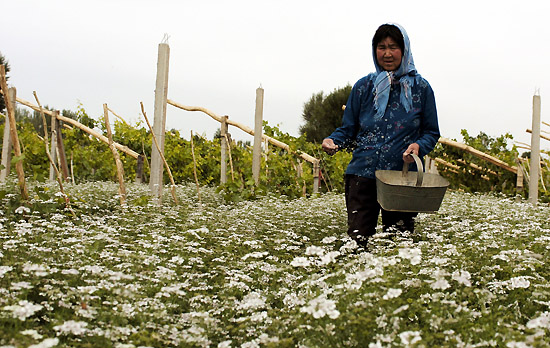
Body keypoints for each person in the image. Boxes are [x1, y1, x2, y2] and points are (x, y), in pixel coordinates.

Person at [322, 23, 440, 247]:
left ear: (404, 51)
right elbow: (348, 130)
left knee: (399, 246)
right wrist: (333, 141)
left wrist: (418, 146)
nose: (387, 53)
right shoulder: (363, 87)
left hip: (401, 179)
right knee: (357, 242)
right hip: (362, 175)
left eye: (393, 47)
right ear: (374, 50)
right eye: (381, 47)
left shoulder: (421, 89)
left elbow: (431, 132)